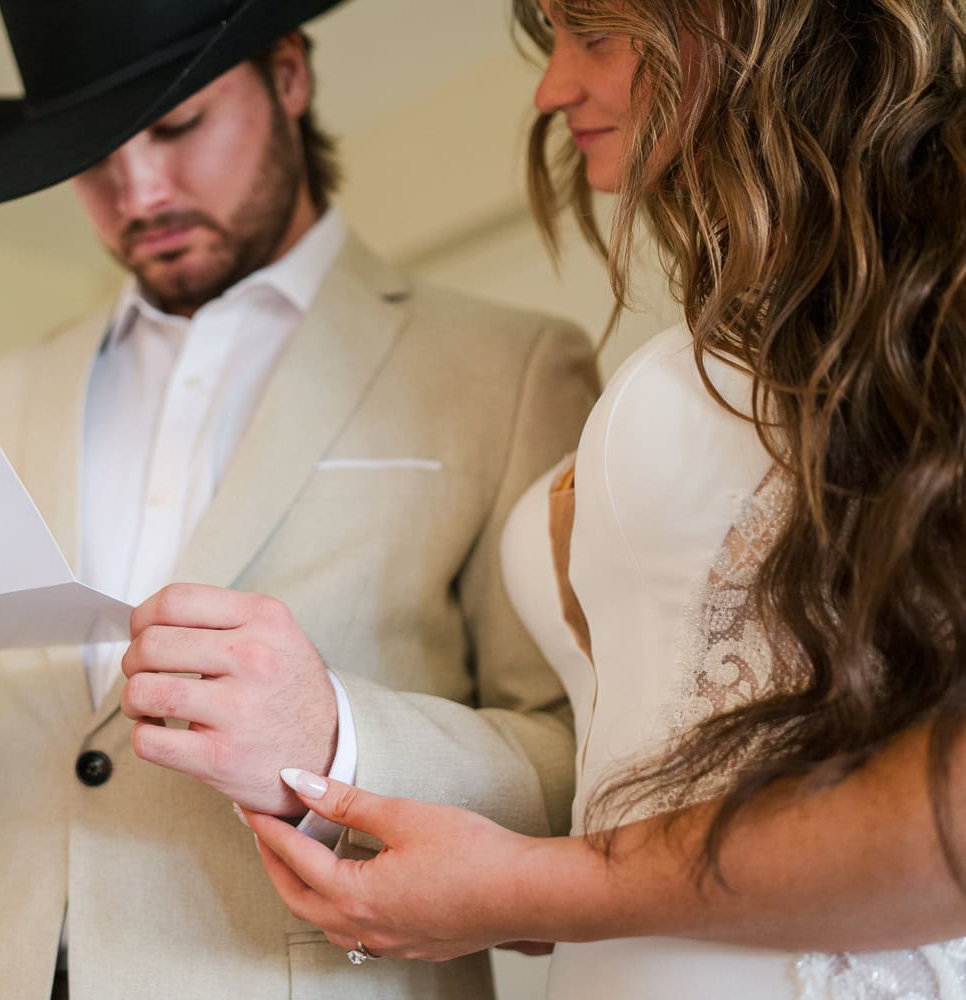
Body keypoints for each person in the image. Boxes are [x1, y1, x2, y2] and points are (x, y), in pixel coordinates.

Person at [0, 1, 600, 997]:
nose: (138, 189)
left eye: (179, 126)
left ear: (290, 75)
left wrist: (333, 739)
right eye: (91, 154)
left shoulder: (511, 367)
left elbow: (584, 771)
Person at [246, 0, 966, 996]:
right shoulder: (732, 339)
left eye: (594, 31)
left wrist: (531, 888)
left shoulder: (941, 294)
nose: (552, 89)